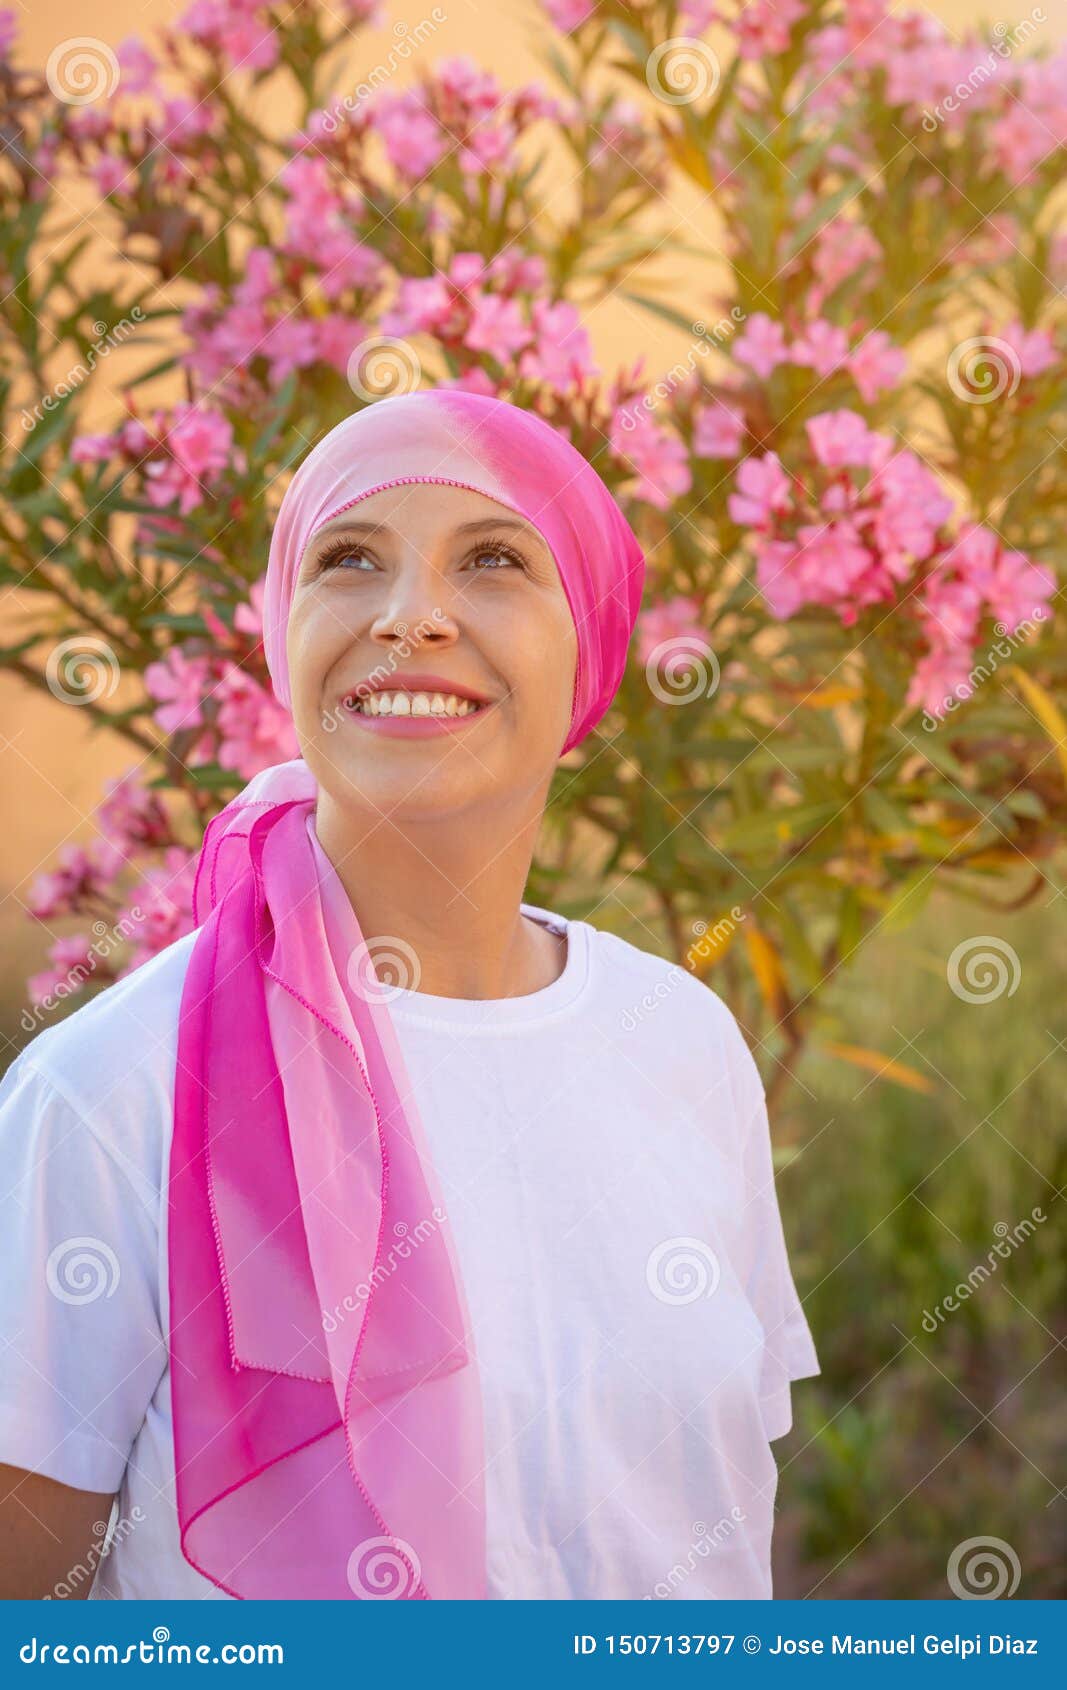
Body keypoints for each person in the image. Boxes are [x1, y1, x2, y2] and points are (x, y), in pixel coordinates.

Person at [0, 389, 818, 1601]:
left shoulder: (679, 1039)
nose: (410, 616)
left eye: (491, 559)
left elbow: (705, 1513)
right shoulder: (113, 1089)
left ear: (587, 645)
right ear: (286, 635)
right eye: (349, 560)